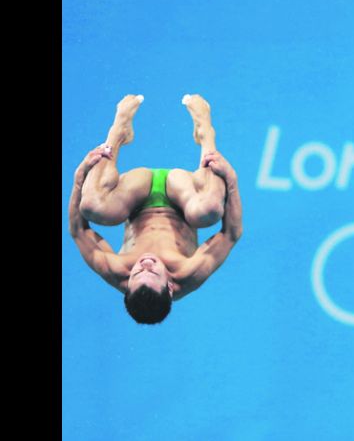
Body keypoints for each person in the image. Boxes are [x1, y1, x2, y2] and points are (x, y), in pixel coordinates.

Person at [68, 94, 243, 325]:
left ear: (127, 284)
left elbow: (78, 230)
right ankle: (205, 134)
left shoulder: (114, 270)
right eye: (152, 272)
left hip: (135, 194)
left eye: (138, 273)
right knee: (207, 211)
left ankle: (118, 132)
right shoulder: (189, 273)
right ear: (170, 286)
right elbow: (231, 233)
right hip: (182, 194)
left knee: (91, 206)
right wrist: (231, 179)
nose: (145, 264)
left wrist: (79, 177)